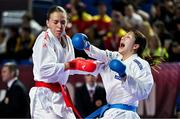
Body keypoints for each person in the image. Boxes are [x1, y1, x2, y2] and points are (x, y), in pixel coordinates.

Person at [29, 5, 96, 119]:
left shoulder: (68, 39)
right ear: (48, 23)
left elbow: (70, 68)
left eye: (63, 22)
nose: (59, 26)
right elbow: (44, 69)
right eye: (55, 22)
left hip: (60, 95)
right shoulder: (44, 39)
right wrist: (70, 65)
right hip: (43, 97)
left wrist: (91, 66)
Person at [72, 30, 154, 119]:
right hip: (110, 112)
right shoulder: (114, 57)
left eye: (128, 37)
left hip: (126, 114)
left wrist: (124, 76)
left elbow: (143, 92)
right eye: (124, 36)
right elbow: (101, 54)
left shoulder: (140, 64)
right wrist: (87, 46)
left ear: (135, 46)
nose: (122, 37)